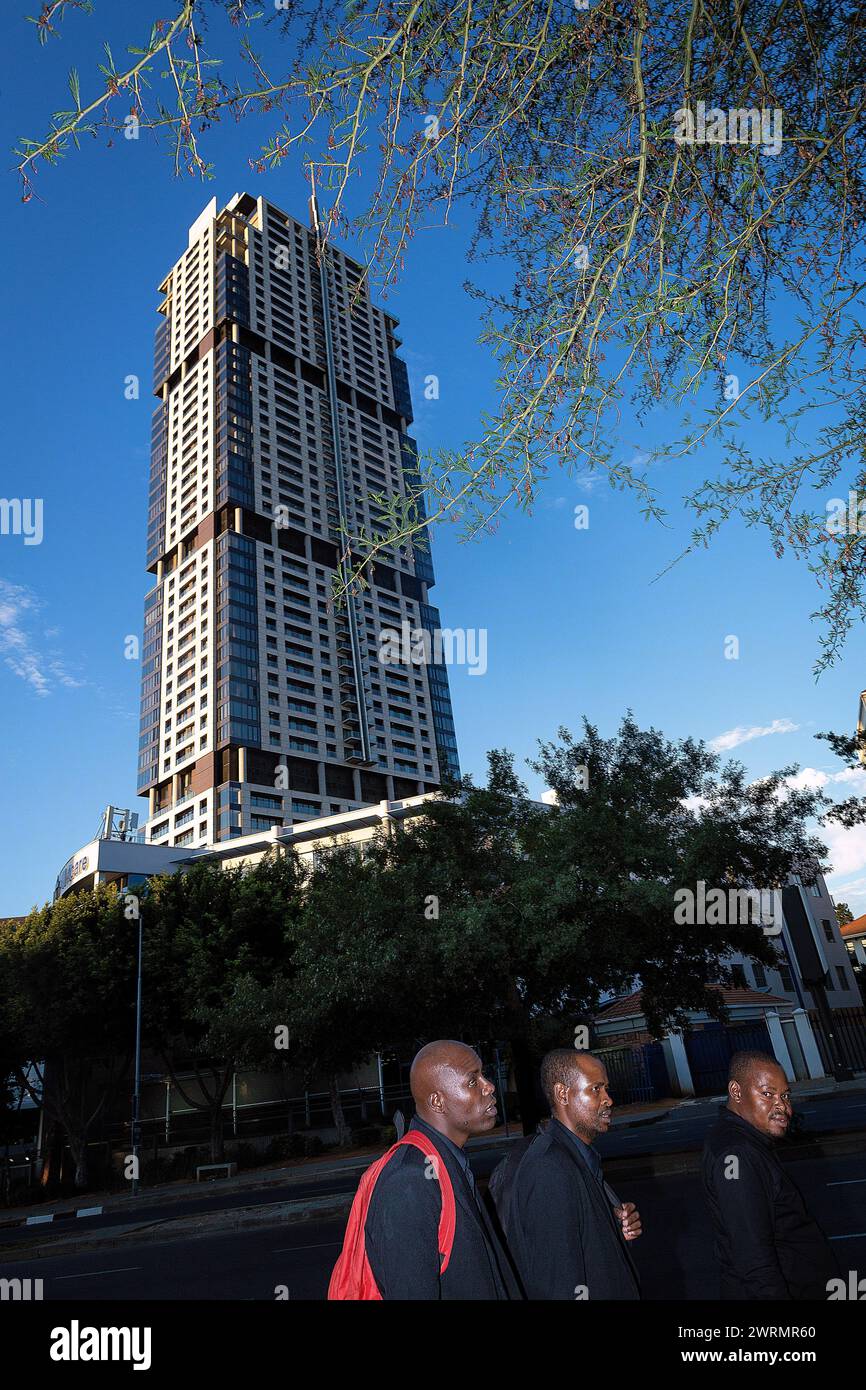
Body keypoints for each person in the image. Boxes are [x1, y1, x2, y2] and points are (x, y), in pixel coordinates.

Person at [363, 1039, 523, 1299]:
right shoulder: (409, 1180)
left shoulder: (447, 1160)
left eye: (484, 1075)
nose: (489, 1086)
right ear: (437, 1102)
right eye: (473, 1081)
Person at [492, 1049, 642, 1299]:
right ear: (563, 1094)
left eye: (606, 1088)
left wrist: (609, 1223)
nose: (608, 1099)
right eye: (596, 1089)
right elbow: (556, 1283)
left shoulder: (574, 1155)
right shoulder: (549, 1167)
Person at [702, 1050, 838, 1299]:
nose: (782, 1106)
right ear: (736, 1091)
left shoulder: (749, 1142)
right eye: (768, 1094)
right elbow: (753, 1257)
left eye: (786, 1095)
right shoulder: (737, 1153)